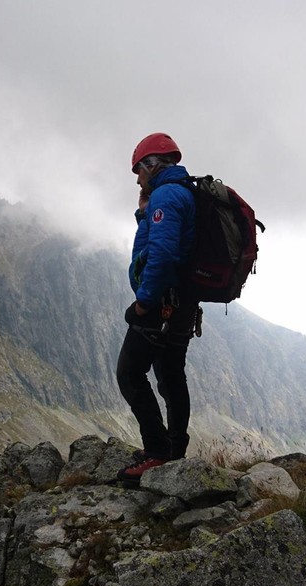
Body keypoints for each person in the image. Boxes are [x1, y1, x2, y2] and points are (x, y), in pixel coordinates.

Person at [116, 132, 201, 483]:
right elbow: (162, 239)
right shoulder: (183, 193)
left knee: (130, 373)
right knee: (170, 375)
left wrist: (143, 303)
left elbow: (162, 254)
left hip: (161, 303)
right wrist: (142, 215)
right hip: (183, 302)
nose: (138, 178)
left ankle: (156, 452)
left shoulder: (166, 194)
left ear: (152, 165)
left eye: (139, 170)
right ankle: (174, 452)